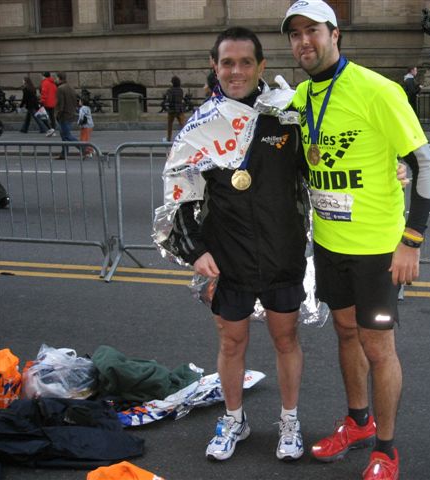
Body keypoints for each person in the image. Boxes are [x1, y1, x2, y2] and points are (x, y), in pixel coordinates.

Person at [282, 1, 430, 478]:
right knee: (345, 333)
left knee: (378, 347)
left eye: (313, 30)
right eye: (294, 34)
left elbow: (425, 164)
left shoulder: (377, 90)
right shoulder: (299, 99)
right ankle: (358, 423)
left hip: (376, 250)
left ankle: (385, 449)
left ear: (335, 34)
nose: (303, 41)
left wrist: (411, 239)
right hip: (329, 244)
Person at [167, 27, 308, 462]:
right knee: (231, 344)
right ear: (215, 66)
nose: (237, 70)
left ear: (262, 66)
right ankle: (234, 419)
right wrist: (196, 251)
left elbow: (326, 165)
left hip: (283, 250)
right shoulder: (200, 128)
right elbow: (179, 193)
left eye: (246, 61)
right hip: (228, 257)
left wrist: (389, 170)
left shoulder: (287, 114)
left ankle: (290, 421)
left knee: (286, 339)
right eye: (227, 62)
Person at [54, 72, 79, 160]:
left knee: (67, 135)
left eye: (56, 78)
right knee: (64, 136)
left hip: (64, 116)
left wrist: (58, 115)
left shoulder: (60, 89)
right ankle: (63, 154)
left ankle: (85, 148)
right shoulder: (71, 87)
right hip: (71, 114)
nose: (55, 80)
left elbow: (61, 104)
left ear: (59, 78)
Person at [164, 76, 186, 142]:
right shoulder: (180, 90)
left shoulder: (170, 90)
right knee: (183, 125)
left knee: (170, 125)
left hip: (172, 109)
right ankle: (185, 137)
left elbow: (169, 99)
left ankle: (168, 138)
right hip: (179, 108)